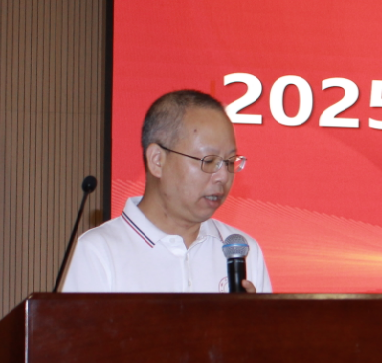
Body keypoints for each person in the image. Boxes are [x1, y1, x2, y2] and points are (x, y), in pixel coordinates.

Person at [63, 90, 271, 293]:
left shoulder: (243, 252)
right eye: (209, 161)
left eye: (230, 161)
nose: (223, 176)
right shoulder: (99, 251)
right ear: (157, 160)